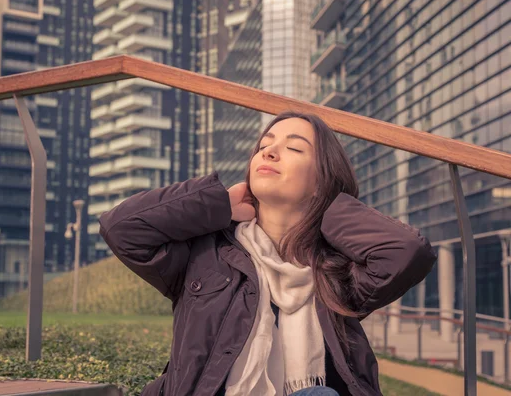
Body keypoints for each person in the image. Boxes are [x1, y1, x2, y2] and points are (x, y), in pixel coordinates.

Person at [99, 111, 437, 396]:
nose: (269, 153)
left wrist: (329, 208)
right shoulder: (206, 255)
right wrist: (218, 204)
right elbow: (122, 230)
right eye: (264, 146)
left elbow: (407, 252)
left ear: (321, 180)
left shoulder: (336, 273)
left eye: (293, 148)